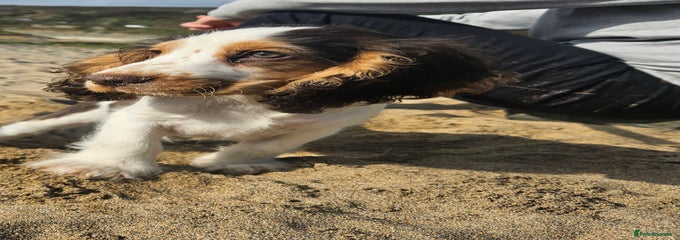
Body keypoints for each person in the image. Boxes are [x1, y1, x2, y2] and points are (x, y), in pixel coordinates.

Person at [181, 0, 680, 120]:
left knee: (303, 20)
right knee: (307, 28)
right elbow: (516, 18)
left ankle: (139, 101)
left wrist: (247, 10)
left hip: (642, 79)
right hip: (611, 71)